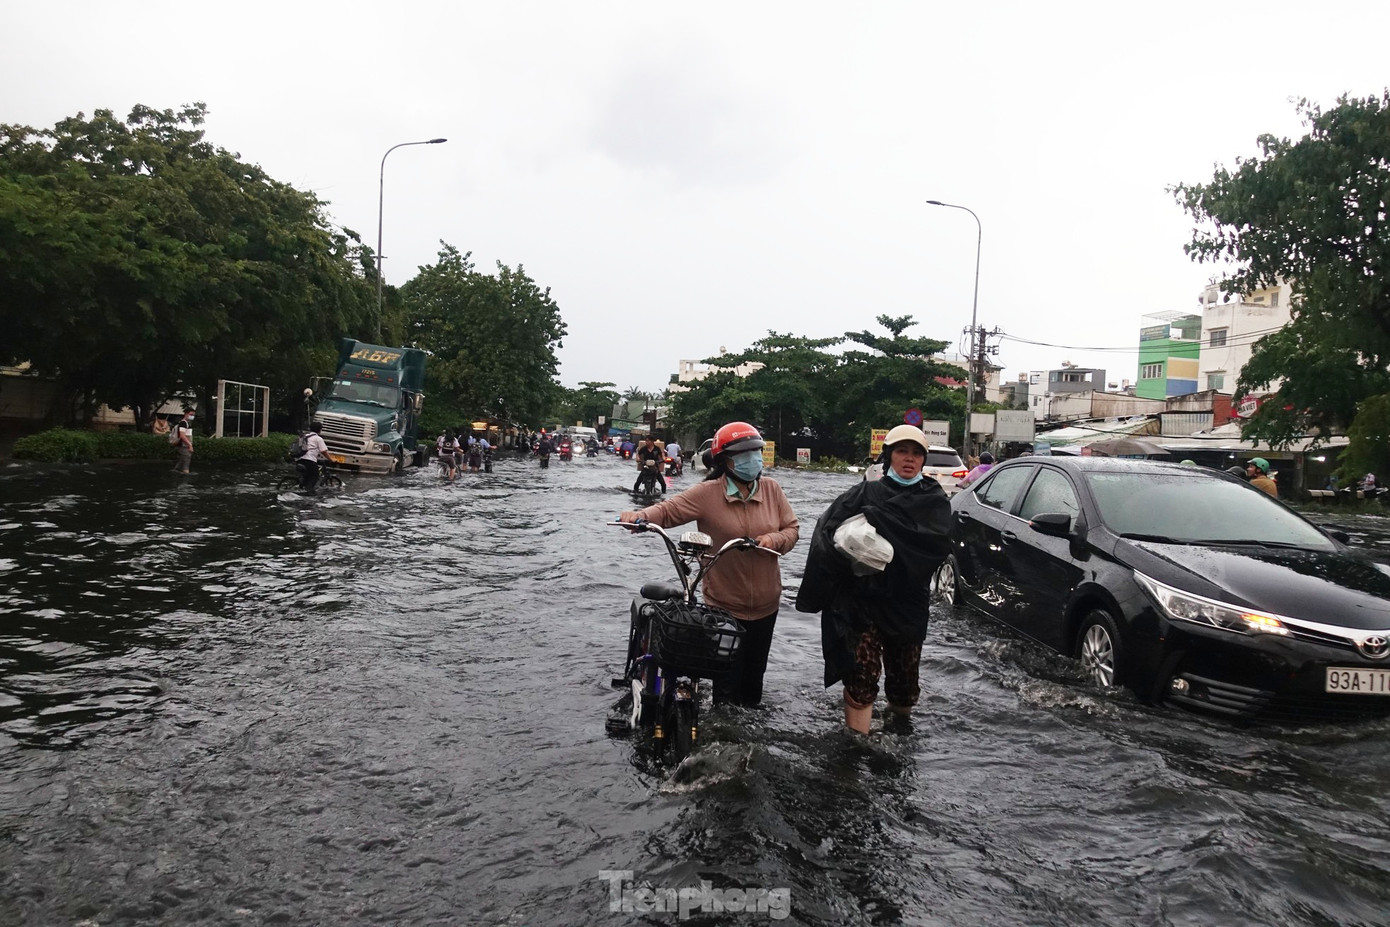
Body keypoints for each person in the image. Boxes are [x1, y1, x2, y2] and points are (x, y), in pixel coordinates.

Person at [618, 421, 799, 707]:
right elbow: (668, 510)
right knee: (725, 684)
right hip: (724, 608)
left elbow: (792, 529)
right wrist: (639, 516)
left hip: (767, 605)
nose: (753, 460)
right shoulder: (708, 493)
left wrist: (773, 540)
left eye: (756, 452)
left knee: (754, 682)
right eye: (744, 454)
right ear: (724, 461)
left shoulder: (772, 490)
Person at [795, 424, 952, 734]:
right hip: (863, 604)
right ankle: (857, 745)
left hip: (907, 605)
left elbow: (935, 547)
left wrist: (889, 544)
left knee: (904, 684)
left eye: (916, 453)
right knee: (861, 677)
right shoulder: (865, 493)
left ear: (923, 460)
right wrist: (849, 556)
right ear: (888, 456)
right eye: (902, 451)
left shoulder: (934, 500)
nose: (909, 459)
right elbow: (826, 532)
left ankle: (899, 733)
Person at [296, 423, 330, 493]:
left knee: (307, 475)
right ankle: (308, 491)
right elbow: (324, 451)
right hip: (309, 460)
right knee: (315, 476)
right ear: (320, 430)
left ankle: (303, 486)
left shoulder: (304, 436)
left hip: (299, 459)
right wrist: (331, 459)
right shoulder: (318, 439)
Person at [172, 410, 195, 474]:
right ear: (186, 414)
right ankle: (185, 477)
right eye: (191, 414)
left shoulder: (187, 423)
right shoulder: (183, 423)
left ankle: (175, 473)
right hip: (184, 446)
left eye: (193, 415)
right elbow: (182, 436)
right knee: (186, 463)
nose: (192, 416)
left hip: (185, 445)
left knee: (181, 461)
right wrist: (190, 445)